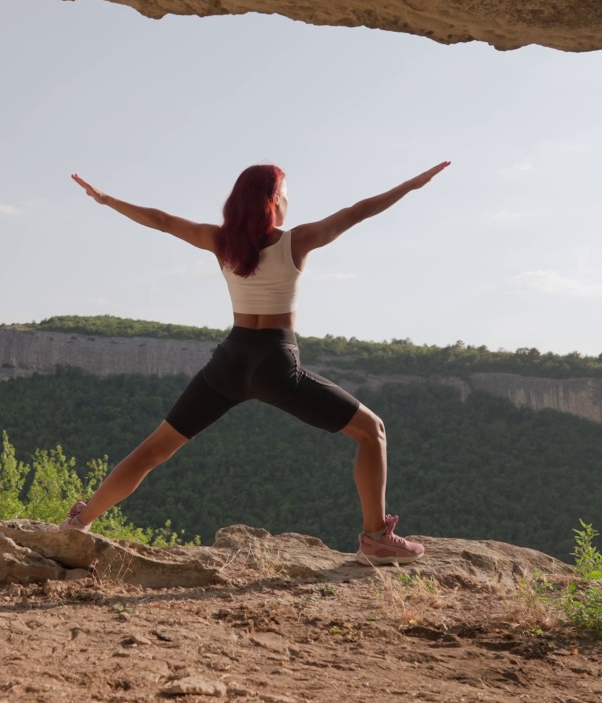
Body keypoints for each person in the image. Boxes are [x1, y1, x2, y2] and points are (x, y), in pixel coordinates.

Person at [63, 161, 450, 564]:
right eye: (286, 195)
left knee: (154, 450)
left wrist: (106, 200)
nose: (288, 202)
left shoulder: (220, 241)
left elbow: (161, 220)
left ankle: (81, 520)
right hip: (276, 364)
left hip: (230, 360)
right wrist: (410, 185)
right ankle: (375, 538)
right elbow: (358, 210)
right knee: (372, 431)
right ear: (273, 202)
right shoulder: (296, 241)